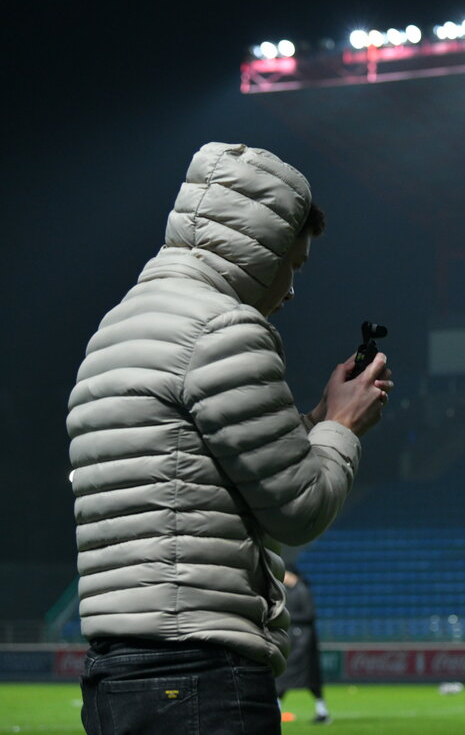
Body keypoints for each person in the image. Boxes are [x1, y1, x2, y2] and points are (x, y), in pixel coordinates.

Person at [68, 142, 393, 734]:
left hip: (119, 670)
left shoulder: (120, 326)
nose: (291, 288)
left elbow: (191, 468)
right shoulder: (223, 327)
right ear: (259, 250)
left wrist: (315, 417)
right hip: (199, 669)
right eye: (293, 264)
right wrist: (341, 429)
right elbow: (299, 509)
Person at [277, 565, 329, 724]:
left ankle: (322, 712)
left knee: (306, 678)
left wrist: (286, 616)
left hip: (303, 643)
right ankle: (277, 710)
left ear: (292, 575)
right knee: (284, 679)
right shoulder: (291, 591)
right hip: (296, 640)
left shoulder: (302, 590)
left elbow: (309, 614)